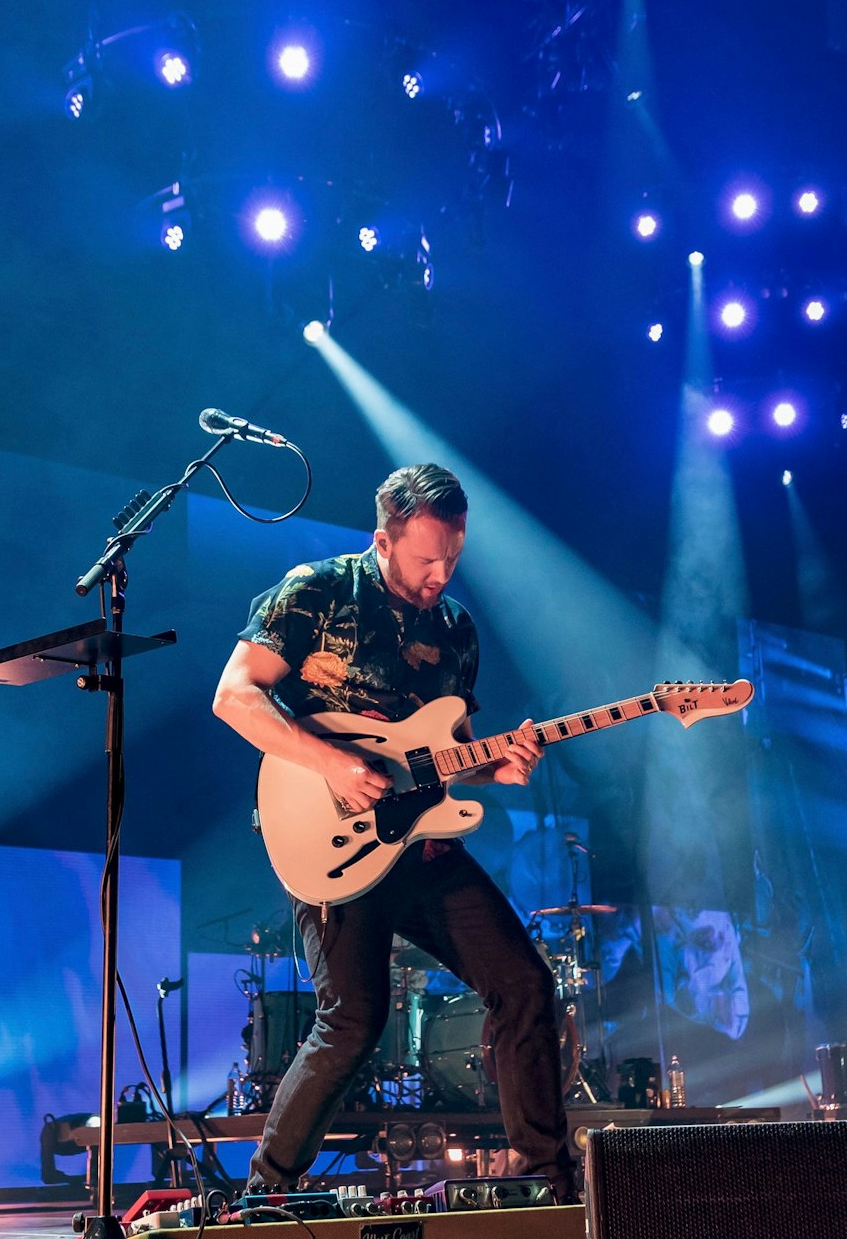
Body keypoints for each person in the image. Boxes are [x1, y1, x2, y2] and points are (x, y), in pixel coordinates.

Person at [213, 462, 578, 1198]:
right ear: (383, 540)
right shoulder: (316, 592)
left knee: (526, 985)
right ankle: (263, 1194)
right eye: (424, 559)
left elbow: (450, 748)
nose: (440, 574)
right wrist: (335, 764)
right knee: (354, 1019)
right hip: (334, 840)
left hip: (426, 847)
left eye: (453, 557)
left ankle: (545, 1182)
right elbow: (234, 696)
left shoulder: (455, 630)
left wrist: (497, 764)